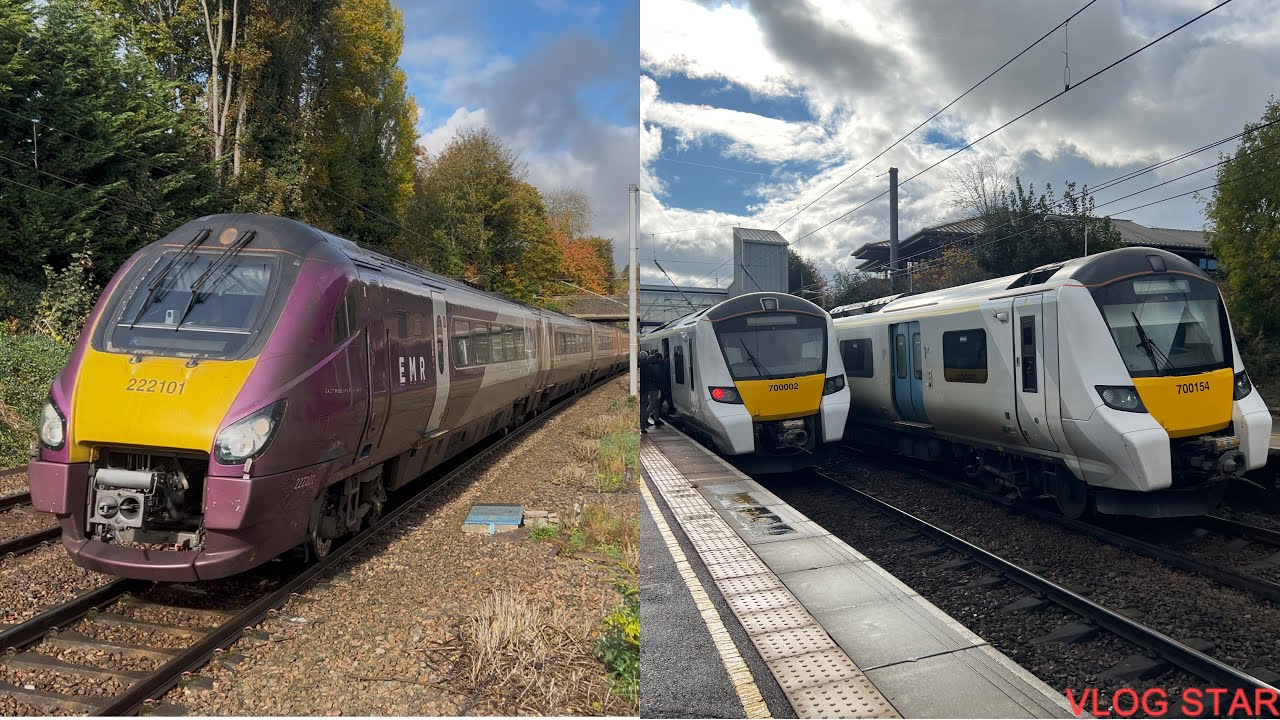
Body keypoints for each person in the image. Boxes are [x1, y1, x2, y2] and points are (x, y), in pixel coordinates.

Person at [638, 351, 661, 432]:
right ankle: (642, 427)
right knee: (643, 408)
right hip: (645, 390)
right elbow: (654, 378)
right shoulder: (649, 367)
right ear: (646, 357)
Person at [653, 351, 672, 426]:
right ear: (659, 358)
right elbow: (663, 376)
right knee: (663, 398)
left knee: (663, 397)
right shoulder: (661, 365)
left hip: (658, 385)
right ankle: (655, 416)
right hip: (662, 385)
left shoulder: (655, 365)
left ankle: (668, 409)